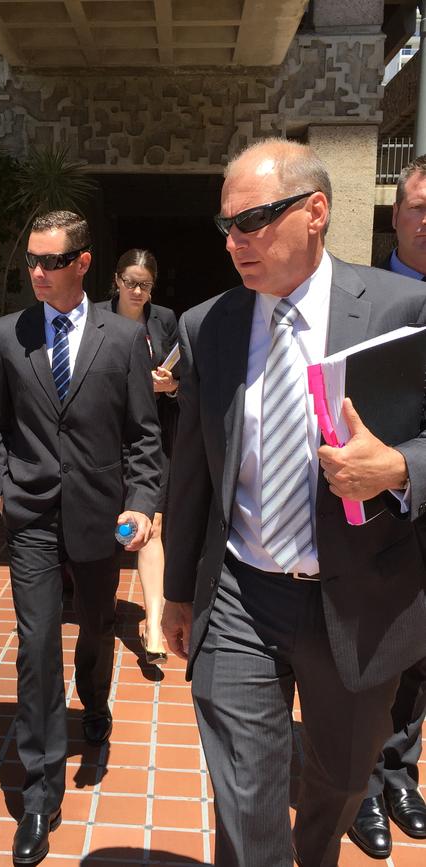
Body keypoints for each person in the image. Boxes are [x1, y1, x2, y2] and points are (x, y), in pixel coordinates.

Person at [161, 138, 426, 867]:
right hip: (243, 593)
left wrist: (400, 466)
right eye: (227, 226)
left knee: (341, 780)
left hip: (359, 600)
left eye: (255, 220)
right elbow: (193, 475)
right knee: (246, 794)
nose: (235, 243)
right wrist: (179, 591)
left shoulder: (402, 308)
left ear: (316, 212)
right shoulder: (205, 326)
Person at [0, 210, 161, 865]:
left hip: (97, 517)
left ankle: (96, 697)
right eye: (32, 259)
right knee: (34, 646)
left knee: (95, 625)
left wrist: (142, 502)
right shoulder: (7, 335)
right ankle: (40, 791)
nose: (37, 272)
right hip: (29, 519)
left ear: (83, 264)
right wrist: (2, 488)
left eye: (50, 261)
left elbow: (144, 435)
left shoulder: (121, 339)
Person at [348, 155, 426, 858]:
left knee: (422, 659)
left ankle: (400, 768)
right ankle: (364, 781)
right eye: (421, 207)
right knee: (381, 652)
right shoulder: (364, 301)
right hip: (381, 514)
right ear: (396, 214)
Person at [96, 248, 178, 664]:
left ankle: (155, 627)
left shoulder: (164, 320)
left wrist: (170, 385)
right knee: (108, 519)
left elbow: (181, 378)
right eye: (130, 282)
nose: (136, 290)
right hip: (104, 439)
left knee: (153, 524)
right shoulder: (94, 319)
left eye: (144, 284)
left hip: (153, 437)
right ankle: (98, 603)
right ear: (115, 280)